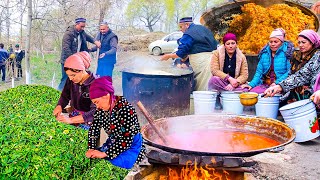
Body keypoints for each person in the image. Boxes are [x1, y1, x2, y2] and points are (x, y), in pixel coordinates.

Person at [85, 76, 145, 169]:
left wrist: (104, 154)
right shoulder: (101, 110)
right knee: (95, 161)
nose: (97, 107)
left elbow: (126, 140)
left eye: (97, 102)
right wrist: (91, 148)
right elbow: (94, 129)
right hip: (113, 142)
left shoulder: (126, 110)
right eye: (94, 103)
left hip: (131, 146)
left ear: (106, 95)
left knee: (112, 165)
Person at [160, 17, 218, 91]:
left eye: (181, 27)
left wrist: (168, 56)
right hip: (212, 59)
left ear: (187, 25)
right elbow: (203, 45)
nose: (180, 29)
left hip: (201, 61)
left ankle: (202, 99)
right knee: (208, 81)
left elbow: (180, 53)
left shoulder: (189, 33)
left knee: (202, 83)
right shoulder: (203, 28)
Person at [53, 51, 97, 130]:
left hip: (89, 120)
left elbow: (94, 112)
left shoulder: (96, 84)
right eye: (68, 75)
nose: (70, 78)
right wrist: (59, 106)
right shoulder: (71, 80)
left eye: (73, 75)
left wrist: (70, 120)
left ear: (82, 70)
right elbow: (65, 96)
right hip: (74, 115)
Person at [241, 28, 294, 93]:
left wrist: (277, 83)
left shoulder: (287, 53)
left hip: (281, 85)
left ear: (282, 42)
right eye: (271, 42)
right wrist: (251, 84)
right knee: (252, 93)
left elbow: (289, 72)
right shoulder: (264, 54)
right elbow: (259, 72)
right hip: (266, 84)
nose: (273, 44)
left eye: (275, 42)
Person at [58, 17, 101, 91]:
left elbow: (88, 37)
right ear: (76, 24)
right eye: (81, 26)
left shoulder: (81, 32)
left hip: (77, 61)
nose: (83, 28)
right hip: (67, 61)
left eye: (84, 26)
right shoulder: (68, 34)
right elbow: (66, 48)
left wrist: (95, 41)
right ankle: (58, 93)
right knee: (66, 79)